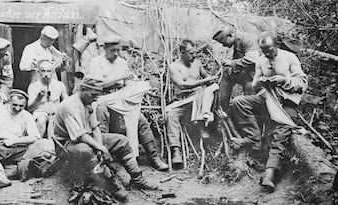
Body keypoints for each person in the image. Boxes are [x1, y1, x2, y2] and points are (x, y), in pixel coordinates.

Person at [53, 78, 159, 202]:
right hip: (67, 144)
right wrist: (101, 148)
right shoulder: (69, 105)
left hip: (86, 137)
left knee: (122, 141)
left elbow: (95, 128)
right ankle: (112, 184)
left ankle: (137, 179)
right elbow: (79, 136)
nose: (95, 98)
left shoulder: (89, 101)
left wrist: (99, 146)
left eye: (97, 96)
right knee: (85, 150)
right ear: (82, 89)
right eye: (93, 95)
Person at [230, 31, 308, 191]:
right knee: (239, 102)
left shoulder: (289, 58)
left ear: (277, 45)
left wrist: (284, 80)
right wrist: (261, 82)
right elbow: (254, 84)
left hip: (286, 102)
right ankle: (253, 136)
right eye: (263, 50)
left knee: (281, 131)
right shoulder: (261, 60)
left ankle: (270, 173)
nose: (267, 54)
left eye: (270, 50)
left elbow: (302, 82)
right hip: (267, 98)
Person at [86, 35, 168, 171]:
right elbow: (97, 85)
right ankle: (104, 156)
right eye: (112, 50)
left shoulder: (121, 62)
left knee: (141, 120)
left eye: (118, 50)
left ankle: (154, 157)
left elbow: (125, 82)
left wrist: (134, 82)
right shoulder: (96, 62)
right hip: (103, 98)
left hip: (120, 97)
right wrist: (119, 77)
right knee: (100, 112)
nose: (116, 53)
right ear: (104, 49)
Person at [167, 39, 218, 166]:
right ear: (182, 52)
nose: (194, 55)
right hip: (182, 100)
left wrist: (211, 79)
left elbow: (207, 78)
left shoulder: (197, 63)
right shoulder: (174, 67)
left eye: (195, 52)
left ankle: (203, 123)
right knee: (171, 115)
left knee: (211, 89)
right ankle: (176, 150)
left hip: (198, 97)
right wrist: (204, 82)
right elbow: (182, 85)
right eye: (190, 53)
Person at [212, 26, 260, 112]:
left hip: (256, 74)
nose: (224, 45)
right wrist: (233, 68)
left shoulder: (246, 39)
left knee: (249, 86)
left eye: (223, 42)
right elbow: (240, 59)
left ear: (230, 35)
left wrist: (232, 63)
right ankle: (223, 109)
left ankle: (248, 111)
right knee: (226, 73)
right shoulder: (237, 41)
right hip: (247, 73)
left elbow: (252, 59)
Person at [28, 60, 68, 137]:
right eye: (43, 71)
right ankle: (38, 141)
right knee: (41, 119)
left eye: (48, 71)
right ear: (39, 72)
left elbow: (66, 102)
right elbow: (30, 108)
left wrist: (58, 110)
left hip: (55, 112)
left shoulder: (59, 85)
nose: (46, 74)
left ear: (52, 72)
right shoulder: (33, 87)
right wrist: (38, 98)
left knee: (56, 119)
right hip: (40, 112)